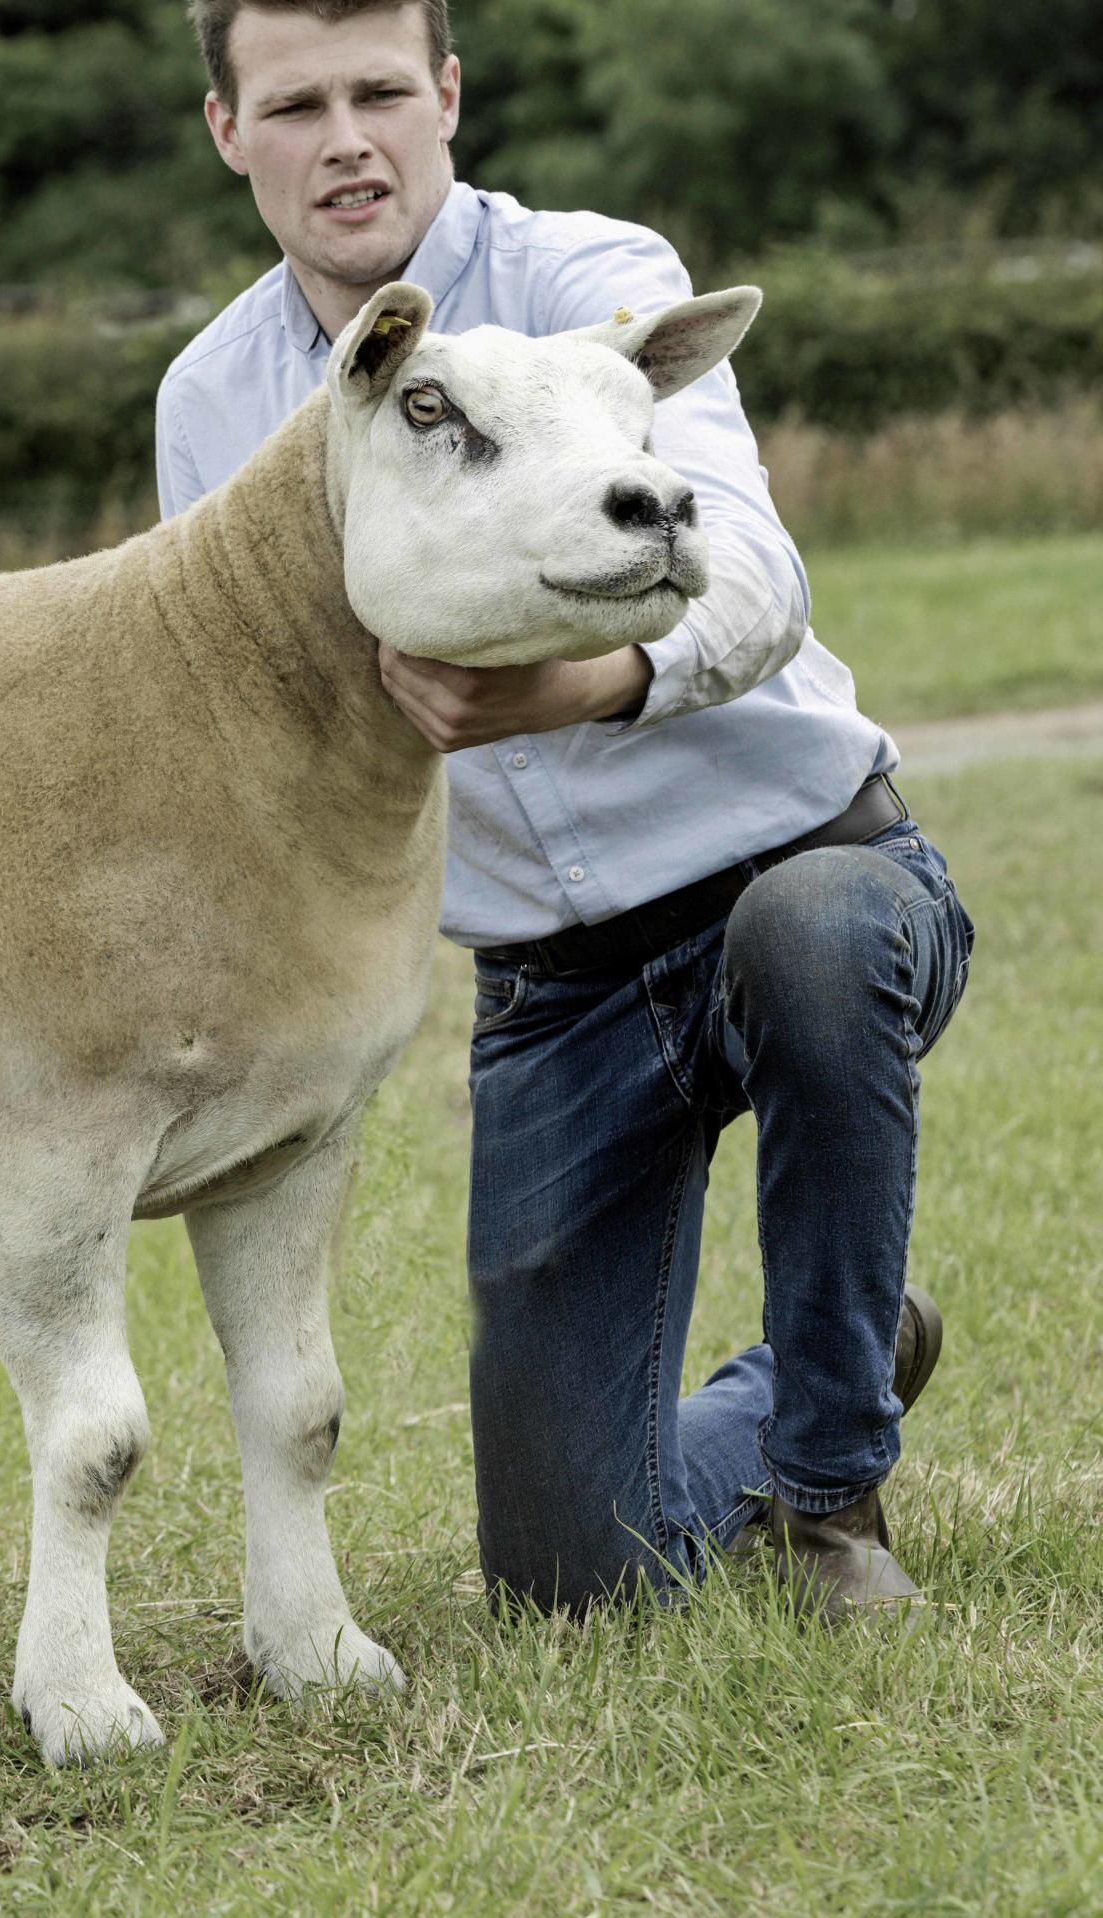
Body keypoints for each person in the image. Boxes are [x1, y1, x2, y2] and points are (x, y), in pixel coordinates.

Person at [157, 0, 975, 1618]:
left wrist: (577, 687)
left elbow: (757, 574)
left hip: (802, 865)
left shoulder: (590, 280)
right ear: (226, 130)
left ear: (447, 95)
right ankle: (835, 1359)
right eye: (298, 103)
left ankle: (833, 1492)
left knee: (812, 937)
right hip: (556, 989)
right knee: (568, 1579)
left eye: (383, 90)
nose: (348, 140)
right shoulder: (216, 406)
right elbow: (247, 725)